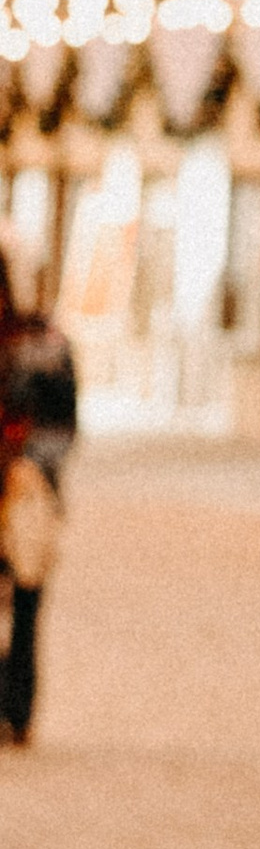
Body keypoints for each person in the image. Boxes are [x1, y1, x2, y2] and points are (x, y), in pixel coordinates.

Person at [0, 255, 76, 748]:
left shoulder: (45, 346)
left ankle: (18, 708)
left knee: (26, 602)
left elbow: (63, 424)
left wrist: (27, 466)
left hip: (27, 495)